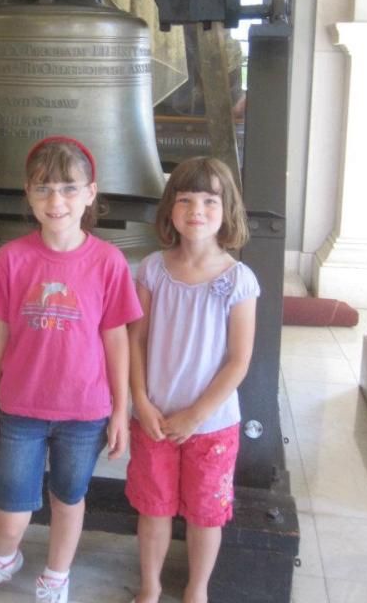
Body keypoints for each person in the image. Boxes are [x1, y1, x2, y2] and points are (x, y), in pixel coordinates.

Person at [0, 135, 143, 603]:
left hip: (85, 413)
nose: (56, 201)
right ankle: (2, 558)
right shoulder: (11, 259)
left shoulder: (108, 261)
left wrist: (122, 409)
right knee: (10, 512)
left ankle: (57, 576)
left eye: (68, 188)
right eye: (42, 189)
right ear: (28, 194)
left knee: (68, 499)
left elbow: (116, 337)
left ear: (91, 193)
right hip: (21, 410)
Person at [125, 156, 260, 603]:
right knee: (153, 509)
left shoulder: (239, 281)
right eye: (185, 200)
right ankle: (150, 588)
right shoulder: (152, 270)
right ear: (170, 209)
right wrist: (140, 401)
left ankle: (196, 591)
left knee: (206, 516)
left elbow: (238, 361)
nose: (196, 210)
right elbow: (136, 340)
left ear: (228, 210)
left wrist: (195, 414)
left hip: (211, 426)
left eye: (209, 200)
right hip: (155, 419)